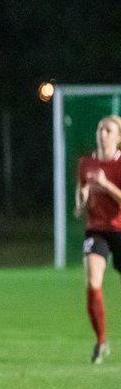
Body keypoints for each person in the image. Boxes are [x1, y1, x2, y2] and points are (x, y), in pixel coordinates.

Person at [75, 115, 121, 364]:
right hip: (97, 230)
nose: (102, 133)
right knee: (93, 283)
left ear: (118, 137)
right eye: (100, 128)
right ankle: (101, 341)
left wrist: (106, 185)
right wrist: (81, 200)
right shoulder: (86, 163)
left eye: (108, 130)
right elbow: (79, 205)